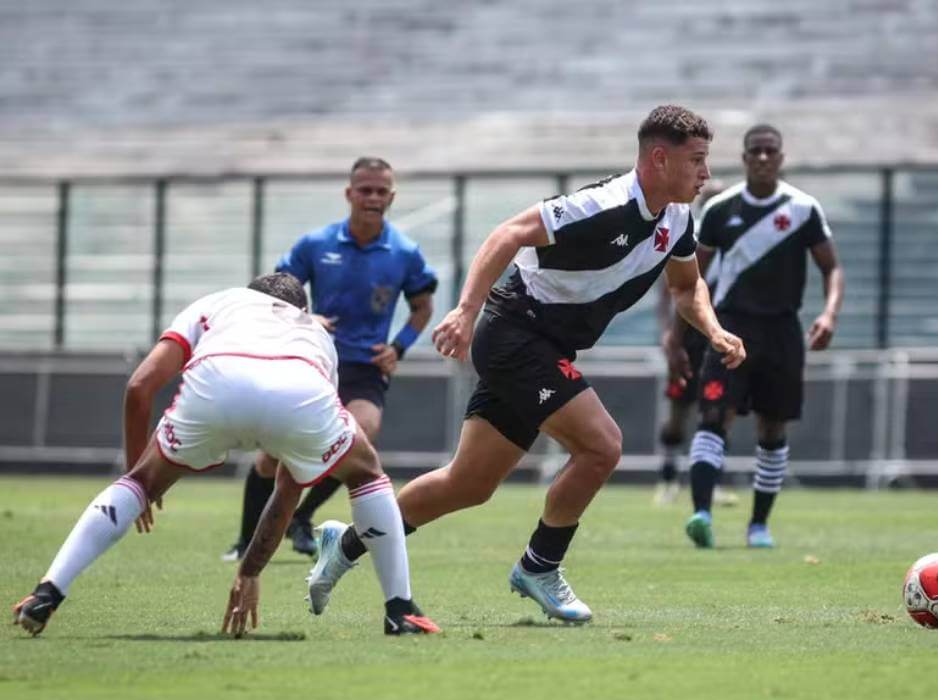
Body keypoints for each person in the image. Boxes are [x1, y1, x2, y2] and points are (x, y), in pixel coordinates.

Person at [303, 105, 746, 624]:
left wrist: (713, 331)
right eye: (697, 160)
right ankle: (540, 566)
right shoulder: (601, 205)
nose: (706, 173)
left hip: (545, 348)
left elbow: (687, 285)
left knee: (467, 485)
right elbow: (506, 234)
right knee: (601, 446)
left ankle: (347, 543)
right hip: (515, 333)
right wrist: (465, 312)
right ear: (659, 159)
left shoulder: (677, 218)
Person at [11, 274, 438, 638]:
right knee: (365, 474)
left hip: (218, 380)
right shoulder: (317, 333)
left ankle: (47, 592)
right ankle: (400, 610)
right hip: (299, 387)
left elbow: (140, 386)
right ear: (301, 308)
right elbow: (289, 485)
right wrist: (251, 570)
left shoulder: (217, 303)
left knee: (137, 486)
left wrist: (138, 476)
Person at [222, 157, 438, 562]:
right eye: (365, 190)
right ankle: (246, 541)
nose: (372, 197)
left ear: (391, 197)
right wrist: (305, 316)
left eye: (380, 191)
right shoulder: (315, 244)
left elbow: (423, 307)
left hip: (365, 368)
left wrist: (399, 347)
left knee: (361, 436)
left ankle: (301, 517)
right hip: (315, 361)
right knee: (272, 456)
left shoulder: (405, 252)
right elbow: (273, 293)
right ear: (349, 194)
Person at [677, 124, 845, 549]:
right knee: (714, 417)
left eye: (771, 150)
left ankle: (758, 526)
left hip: (782, 331)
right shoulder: (719, 210)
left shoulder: (803, 209)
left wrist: (828, 313)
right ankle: (701, 515)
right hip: (731, 327)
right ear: (745, 158)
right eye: (756, 151)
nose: (764, 157)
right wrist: (679, 334)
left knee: (773, 428)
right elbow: (690, 277)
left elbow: (831, 267)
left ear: (781, 157)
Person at [653, 179, 738, 507]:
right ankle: (668, 479)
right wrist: (668, 332)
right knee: (679, 409)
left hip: (718, 336)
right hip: (689, 337)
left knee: (719, 409)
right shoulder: (690, 237)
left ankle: (710, 483)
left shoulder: (734, 240)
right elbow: (670, 290)